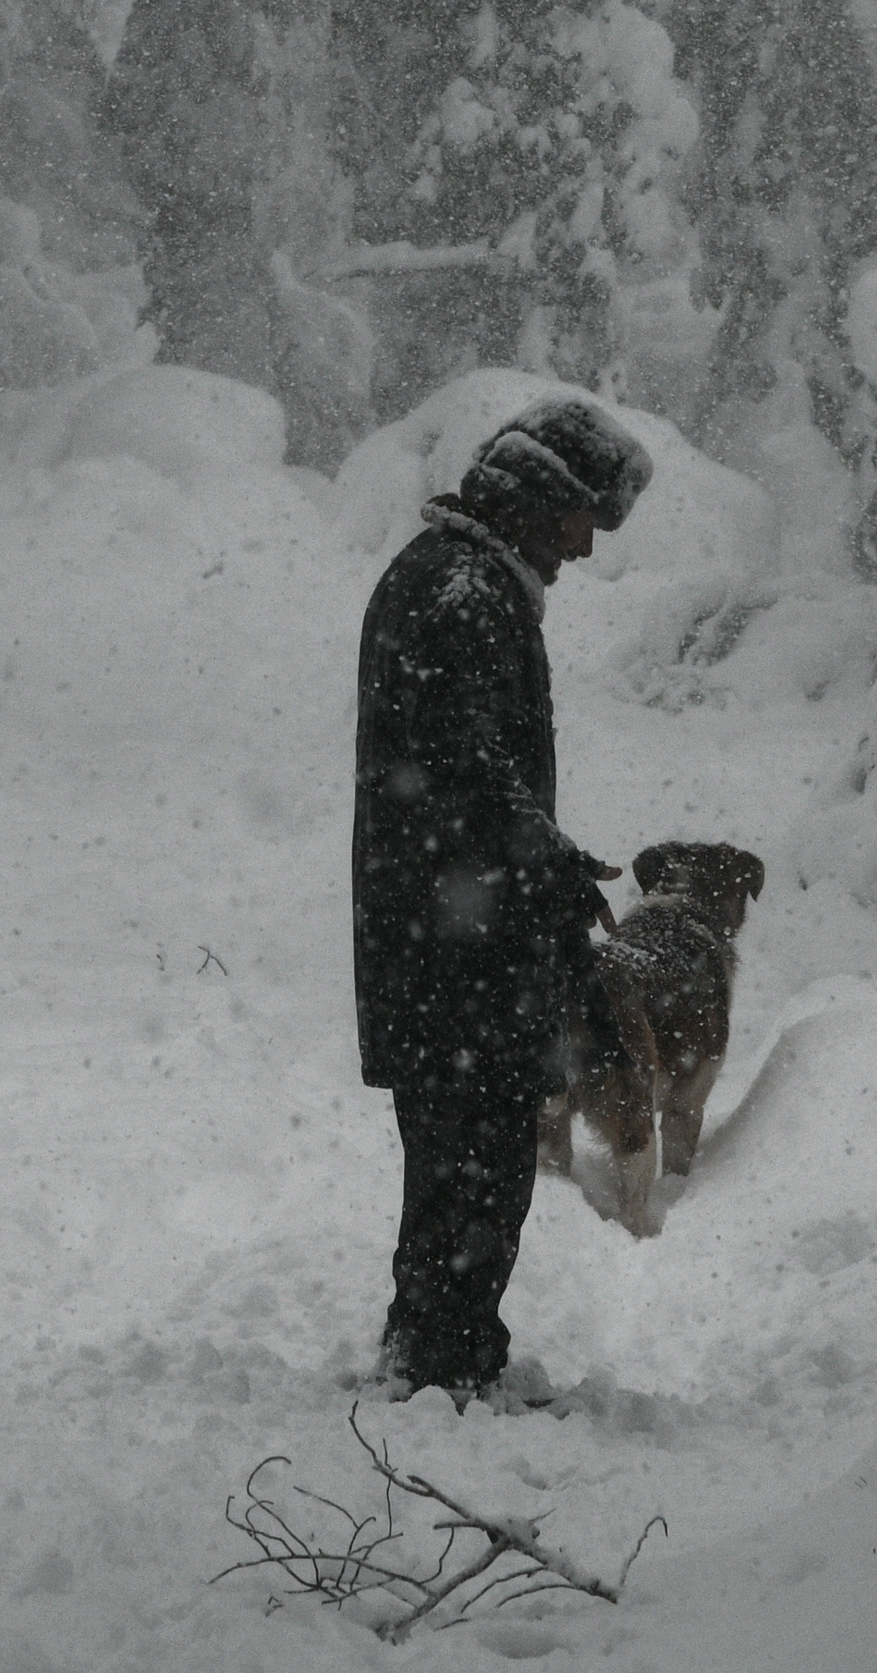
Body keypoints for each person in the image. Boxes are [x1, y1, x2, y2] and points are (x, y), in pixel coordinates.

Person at [348, 391, 649, 1401]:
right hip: (454, 945)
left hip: (442, 933)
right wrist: (546, 875)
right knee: (472, 1154)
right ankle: (444, 1364)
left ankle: (434, 1349)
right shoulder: (463, 592)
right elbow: (469, 778)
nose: (585, 549)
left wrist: (543, 869)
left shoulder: (456, 577)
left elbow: (467, 778)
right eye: (581, 522)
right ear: (540, 497)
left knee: (457, 1155)